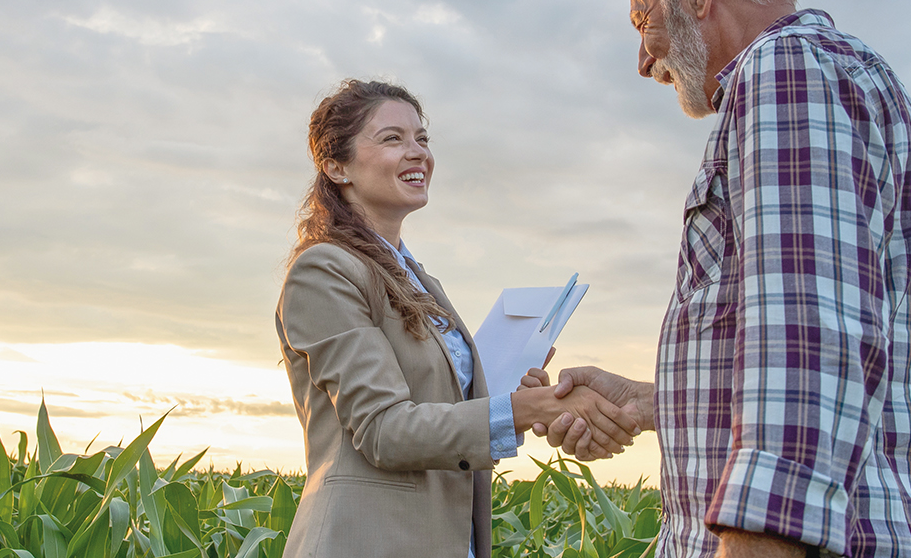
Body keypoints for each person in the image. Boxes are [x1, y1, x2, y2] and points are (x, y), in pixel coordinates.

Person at [522, 0, 911, 556]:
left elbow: (806, 342)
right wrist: (650, 402)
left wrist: (758, 538)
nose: (644, 60)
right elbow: (834, 343)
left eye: (643, 21)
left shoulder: (786, 69)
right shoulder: (842, 73)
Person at [274, 79, 642, 558]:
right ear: (336, 166)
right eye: (392, 138)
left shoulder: (421, 280)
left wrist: (515, 396)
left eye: (422, 138)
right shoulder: (324, 269)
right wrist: (528, 409)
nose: (418, 152)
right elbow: (384, 430)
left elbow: (443, 417)